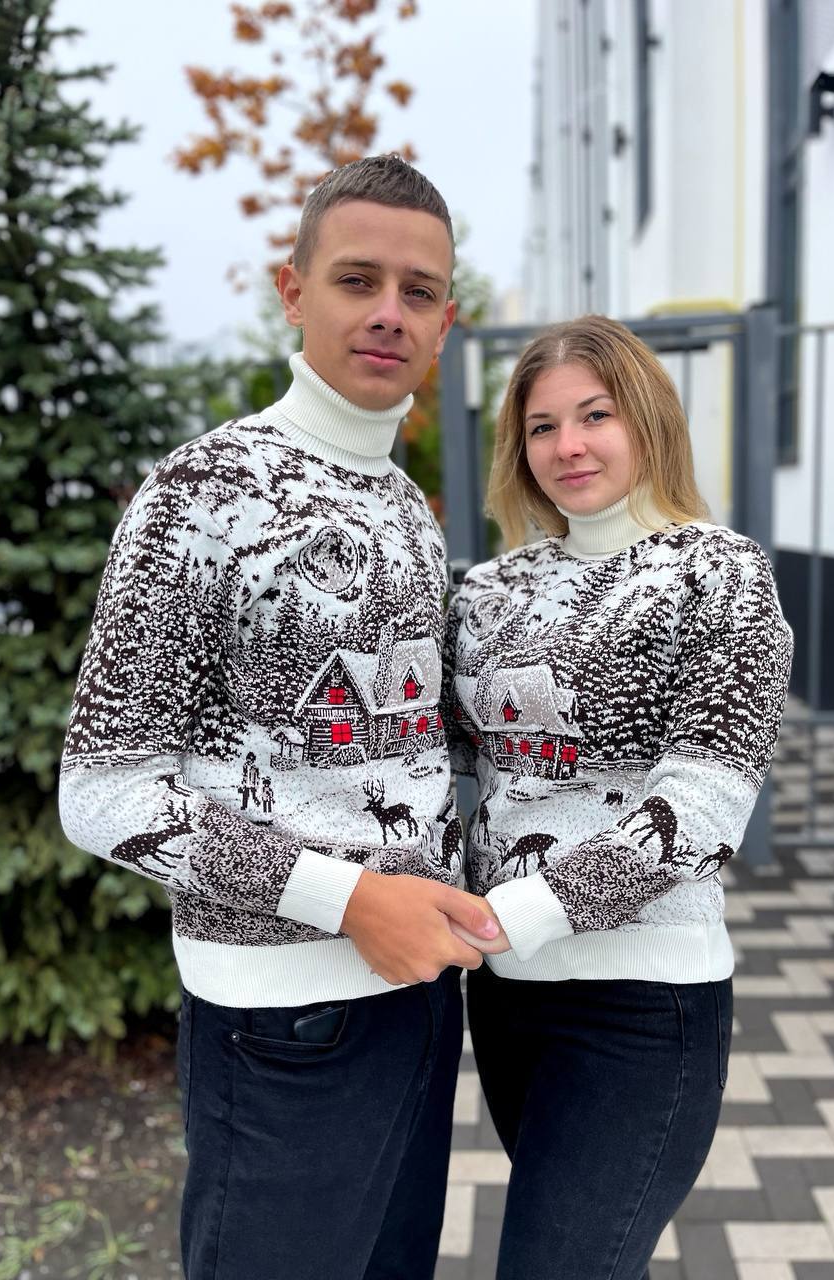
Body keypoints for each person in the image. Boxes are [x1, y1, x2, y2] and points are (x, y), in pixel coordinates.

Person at [59, 155, 503, 1280]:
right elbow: (103, 791)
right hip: (283, 1024)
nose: (389, 311)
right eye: (358, 279)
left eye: (417, 291)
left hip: (417, 1001)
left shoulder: (401, 502)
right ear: (293, 289)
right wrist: (348, 899)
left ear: (446, 323)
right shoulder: (201, 491)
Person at [442, 315, 793, 1280]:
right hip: (507, 997)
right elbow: (444, 759)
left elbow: (704, 806)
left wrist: (511, 914)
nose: (569, 445)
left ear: (648, 420)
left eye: (595, 415)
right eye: (542, 426)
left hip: (643, 1005)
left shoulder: (719, 573)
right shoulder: (489, 591)